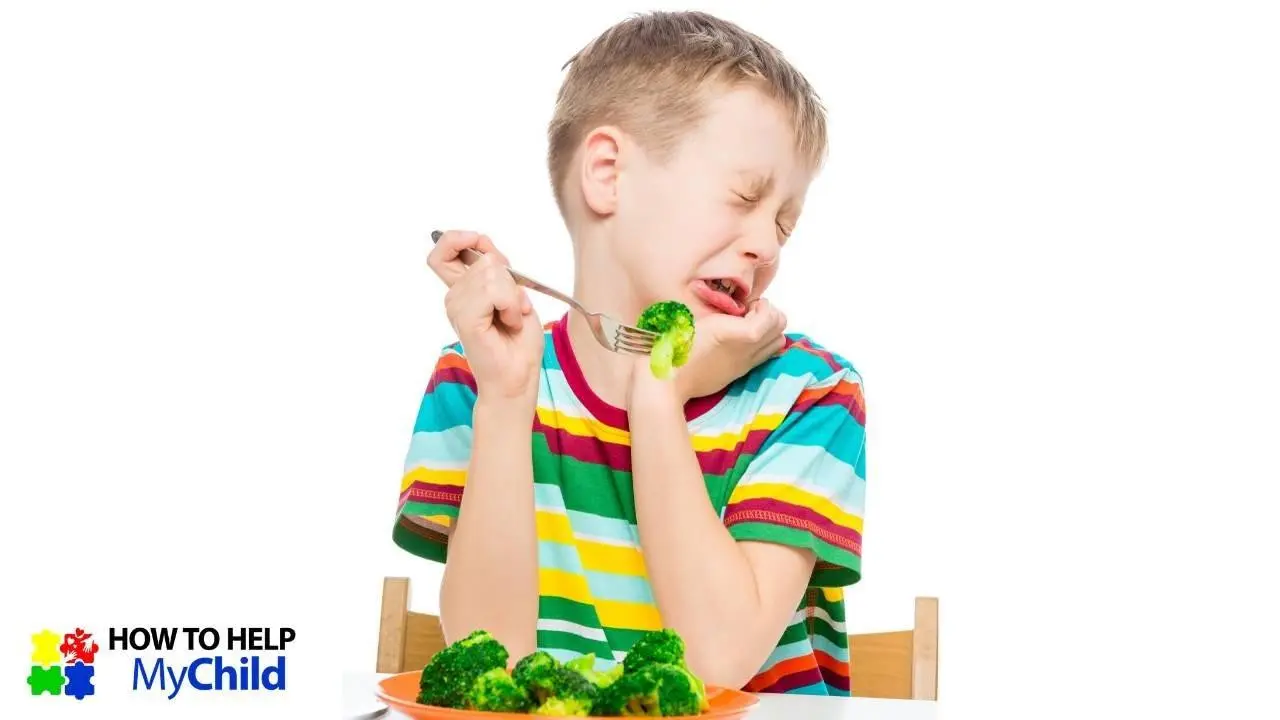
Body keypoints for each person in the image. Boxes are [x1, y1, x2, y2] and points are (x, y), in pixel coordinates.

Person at [393, 10, 866, 696]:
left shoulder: (810, 394)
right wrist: (506, 401)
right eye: (743, 197)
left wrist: (657, 393)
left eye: (784, 224)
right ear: (608, 174)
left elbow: (716, 662)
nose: (766, 245)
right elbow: (488, 671)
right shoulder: (480, 376)